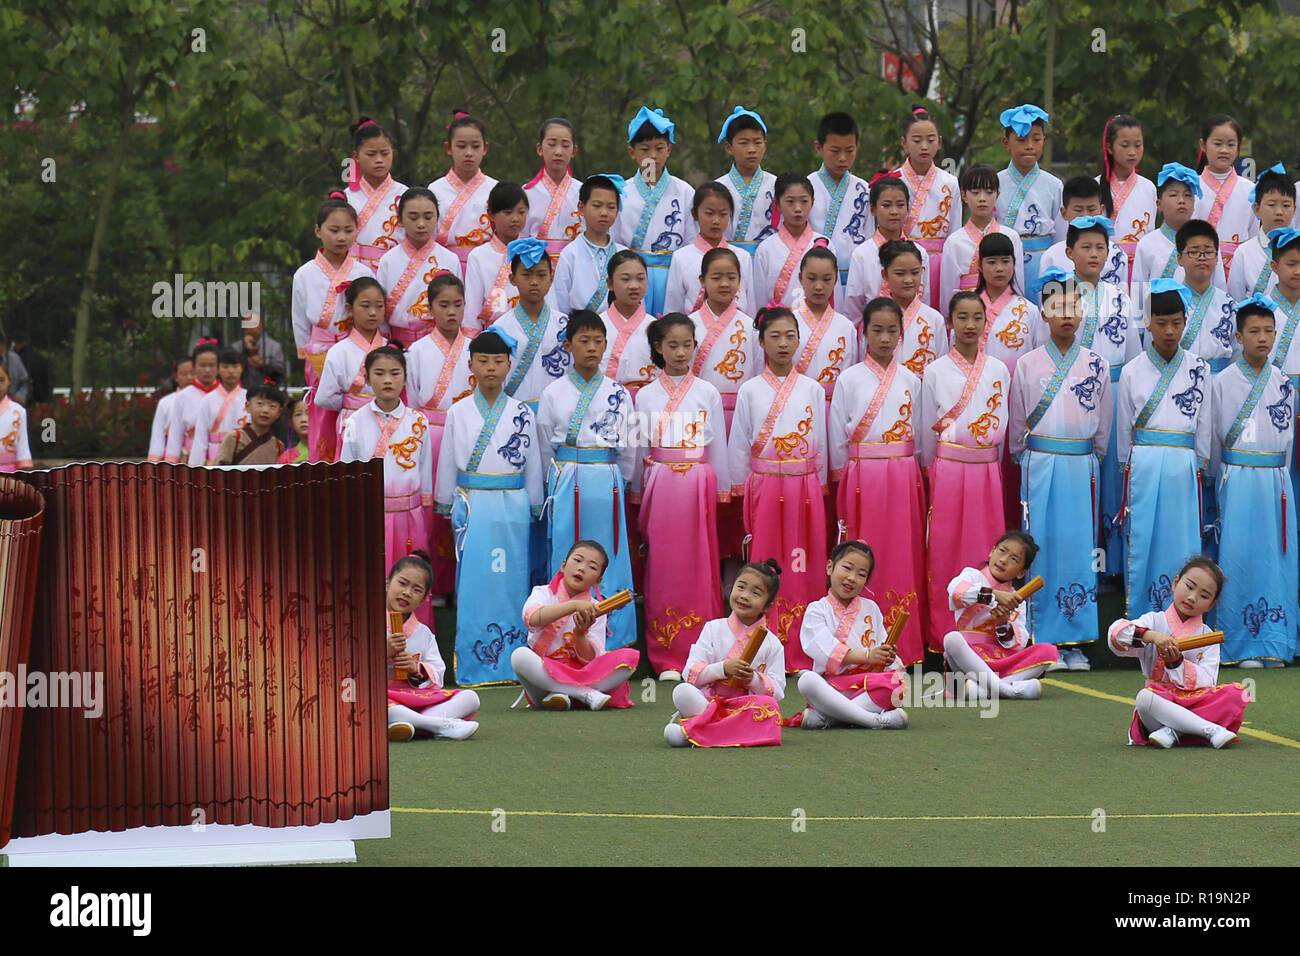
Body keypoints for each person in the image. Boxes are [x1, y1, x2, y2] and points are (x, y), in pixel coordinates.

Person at [1008, 277, 1111, 665]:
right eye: (1057, 308)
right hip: (1041, 464)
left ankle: (1076, 639)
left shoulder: (1096, 364)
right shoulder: (1027, 364)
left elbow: (1103, 425)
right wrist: (1024, 457)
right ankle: (1042, 637)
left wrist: (1092, 457)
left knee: (1080, 550)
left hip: (1080, 465)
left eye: (1073, 308)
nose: (1066, 316)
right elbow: (1018, 424)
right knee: (1042, 547)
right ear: (1045, 314)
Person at [433, 327, 545, 687]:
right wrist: (447, 500)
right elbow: (449, 458)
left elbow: (533, 462)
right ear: (471, 365)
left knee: (511, 580)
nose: (491, 368)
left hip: (512, 505)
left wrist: (534, 501)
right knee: (476, 582)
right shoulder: (459, 411)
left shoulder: (523, 412)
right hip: (474, 505)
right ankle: (475, 663)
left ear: (510, 364)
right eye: (483, 360)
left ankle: (512, 661)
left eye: (498, 361)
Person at [726, 306, 827, 670]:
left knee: (804, 560)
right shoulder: (750, 390)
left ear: (800, 340)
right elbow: (739, 443)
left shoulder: (812, 389)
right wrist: (737, 485)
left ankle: (807, 643)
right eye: (775, 336)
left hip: (804, 486)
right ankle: (761, 647)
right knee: (766, 559)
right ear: (762, 342)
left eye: (790, 336)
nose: (783, 343)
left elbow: (822, 443)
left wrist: (822, 479)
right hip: (765, 487)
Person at [632, 313, 729, 680]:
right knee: (663, 567)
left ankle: (700, 655)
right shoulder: (645, 395)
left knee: (699, 565)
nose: (681, 352)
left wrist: (720, 489)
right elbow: (639, 446)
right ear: (658, 348)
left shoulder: (707, 392)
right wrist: (639, 492)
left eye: (687, 344)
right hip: (662, 483)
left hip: (698, 483)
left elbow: (717, 443)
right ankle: (665, 656)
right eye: (672, 345)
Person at [537, 311, 637, 650]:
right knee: (568, 553)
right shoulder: (552, 392)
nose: (592, 348)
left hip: (606, 481)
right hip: (567, 480)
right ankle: (557, 639)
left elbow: (628, 448)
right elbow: (544, 445)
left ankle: (612, 639)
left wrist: (622, 483)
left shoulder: (619, 393)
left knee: (610, 552)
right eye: (584, 340)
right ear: (567, 345)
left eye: (599, 341)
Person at [832, 300, 924, 662]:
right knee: (862, 551)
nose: (885, 338)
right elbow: (839, 438)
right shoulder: (849, 378)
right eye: (877, 330)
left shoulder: (911, 379)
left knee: (903, 555)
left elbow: (919, 437)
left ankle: (906, 644)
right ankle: (858, 646)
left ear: (902, 333)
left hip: (902, 475)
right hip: (863, 478)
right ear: (864, 333)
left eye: (892, 331)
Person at [919, 291, 1011, 654]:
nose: (970, 325)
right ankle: (944, 635)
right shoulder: (936, 371)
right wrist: (934, 472)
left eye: (977, 317)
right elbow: (927, 426)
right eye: (963, 318)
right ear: (950, 323)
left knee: (987, 550)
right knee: (945, 550)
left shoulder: (999, 369)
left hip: (986, 470)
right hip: (948, 470)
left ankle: (990, 634)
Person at [1117, 280, 1212, 621]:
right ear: (1148, 324)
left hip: (1184, 466)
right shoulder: (1131, 371)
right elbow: (1124, 431)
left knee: (1183, 540)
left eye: (1176, 323)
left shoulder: (1201, 369)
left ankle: (1185, 621)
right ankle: (1143, 621)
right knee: (1144, 539)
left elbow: (1205, 423)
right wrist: (1125, 466)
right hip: (1144, 463)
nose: (1169, 331)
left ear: (1185, 322)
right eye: (1161, 323)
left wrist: (1200, 464)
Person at [1212, 296, 1297, 668]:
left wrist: (1281, 476)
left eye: (1268, 331)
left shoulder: (1282, 382)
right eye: (1254, 332)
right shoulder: (1223, 382)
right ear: (1238, 336)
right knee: (1240, 556)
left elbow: (1288, 440)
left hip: (1276, 480)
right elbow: (1215, 439)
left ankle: (1274, 643)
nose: (1262, 338)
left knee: (1276, 560)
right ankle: (1243, 643)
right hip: (1239, 477)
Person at [1107, 556, 1251, 747]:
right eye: (1189, 587)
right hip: (1156, 704)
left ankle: (1172, 731)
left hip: (1193, 703)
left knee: (1236, 694)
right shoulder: (1154, 621)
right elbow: (1116, 634)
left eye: (1204, 595)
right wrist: (1153, 637)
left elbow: (1208, 681)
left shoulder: (1208, 637)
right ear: (1175, 583)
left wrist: (1177, 664)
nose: (1192, 597)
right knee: (1144, 697)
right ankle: (1209, 730)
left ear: (1211, 605)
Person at [339, 344, 433, 601]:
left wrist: (424, 505)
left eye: (395, 373)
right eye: (379, 373)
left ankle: (415, 634)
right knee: (373, 576)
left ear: (405, 377)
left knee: (410, 576)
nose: (388, 380)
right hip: (371, 514)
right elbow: (347, 470)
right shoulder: (355, 421)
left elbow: (425, 468)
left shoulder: (418, 421)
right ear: (367, 378)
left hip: (410, 515)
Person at [663, 559, 787, 747]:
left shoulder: (773, 644)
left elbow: (777, 691)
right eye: (741, 587)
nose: (745, 596)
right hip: (707, 702)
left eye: (755, 593)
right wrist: (723, 668)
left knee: (770, 707)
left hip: (744, 706)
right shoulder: (713, 628)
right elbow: (690, 673)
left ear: (768, 606)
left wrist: (752, 679)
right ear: (732, 588)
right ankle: (721, 730)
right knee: (682, 691)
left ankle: (694, 732)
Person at [406, 271, 474, 596]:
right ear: (430, 308)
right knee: (431, 511)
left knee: (463, 508)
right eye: (443, 305)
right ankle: (430, 587)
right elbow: (412, 399)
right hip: (429, 436)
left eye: (457, 305)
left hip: (466, 434)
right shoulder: (416, 352)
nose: (451, 312)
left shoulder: (476, 349)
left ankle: (460, 584)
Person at [511, 539, 640, 710]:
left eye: (592, 567)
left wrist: (580, 634)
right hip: (544, 674)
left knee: (628, 658)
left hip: (580, 673)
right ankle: (584, 694)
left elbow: (592, 659)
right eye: (577, 560)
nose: (582, 568)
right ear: (563, 566)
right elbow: (533, 618)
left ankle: (561, 694)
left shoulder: (596, 609)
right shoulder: (543, 593)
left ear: (598, 580)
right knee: (520, 656)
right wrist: (573, 605)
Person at [291, 193, 372, 462]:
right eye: (334, 230)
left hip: (355, 347)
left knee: (356, 404)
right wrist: (306, 355)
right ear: (318, 231)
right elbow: (300, 322)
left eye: (348, 230)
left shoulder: (363, 272)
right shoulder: (304, 274)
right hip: (320, 351)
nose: (341, 237)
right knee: (324, 411)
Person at [797, 540, 910, 729]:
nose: (852, 578)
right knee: (807, 681)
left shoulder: (871, 608)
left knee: (898, 682)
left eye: (861, 574)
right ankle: (875, 720)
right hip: (831, 689)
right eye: (847, 568)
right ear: (830, 567)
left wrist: (886, 656)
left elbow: (880, 647)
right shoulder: (817, 610)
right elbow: (822, 649)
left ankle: (829, 718)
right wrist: (867, 656)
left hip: (867, 686)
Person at [942, 531, 1059, 699]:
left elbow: (1018, 644)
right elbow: (956, 591)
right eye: (1002, 551)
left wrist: (1003, 623)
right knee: (952, 639)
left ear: (1020, 573)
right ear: (992, 551)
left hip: (999, 659)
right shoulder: (971, 575)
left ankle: (983, 690)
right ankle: (1008, 690)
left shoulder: (1017, 599)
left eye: (1014, 559)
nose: (1003, 560)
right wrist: (994, 595)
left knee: (1048, 651)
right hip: (967, 657)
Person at [383, 552, 481, 741]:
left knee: (471, 698)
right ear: (387, 583)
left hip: (413, 698)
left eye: (416, 589)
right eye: (402, 583)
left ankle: (409, 724)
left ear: (424, 599)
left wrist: (416, 669)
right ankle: (438, 725)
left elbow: (438, 674)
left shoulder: (424, 634)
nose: (407, 592)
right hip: (381, 696)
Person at [613, 106, 697, 315]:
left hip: (674, 277)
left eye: (659, 148)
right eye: (645, 149)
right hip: (632, 278)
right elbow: (614, 242)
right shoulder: (622, 191)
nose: (652, 155)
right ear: (632, 152)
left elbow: (691, 243)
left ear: (669, 150)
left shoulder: (685, 191)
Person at [491, 238, 572, 412]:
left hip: (557, 414)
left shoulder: (565, 325)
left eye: (541, 275)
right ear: (512, 279)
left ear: (551, 278)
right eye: (526, 274)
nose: (534, 282)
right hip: (513, 414)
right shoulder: (501, 328)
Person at [316, 276, 392, 459]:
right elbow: (324, 397)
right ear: (349, 308)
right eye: (365, 306)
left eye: (379, 306)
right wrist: (352, 403)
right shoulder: (338, 351)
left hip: (389, 420)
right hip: (352, 422)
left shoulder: (392, 348)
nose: (373, 312)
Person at [895, 104, 961, 309]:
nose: (924, 146)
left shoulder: (950, 183)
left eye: (930, 140)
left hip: (940, 265)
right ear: (904, 143)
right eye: (916, 140)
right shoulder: (893, 181)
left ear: (939, 143)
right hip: (902, 263)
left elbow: (954, 233)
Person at [377, 187, 461, 347]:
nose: (421, 224)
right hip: (398, 345)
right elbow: (381, 310)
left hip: (439, 343)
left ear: (437, 218)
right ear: (400, 220)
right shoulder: (388, 260)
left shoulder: (450, 259)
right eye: (413, 217)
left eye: (428, 217)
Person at [465, 181, 554, 331]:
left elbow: (549, 298)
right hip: (493, 336)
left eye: (521, 212)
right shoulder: (478, 256)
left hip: (533, 330)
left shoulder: (535, 252)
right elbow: (472, 310)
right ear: (491, 214)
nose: (515, 218)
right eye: (508, 213)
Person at [938, 163, 1025, 318]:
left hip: (1005, 313)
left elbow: (1017, 284)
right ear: (964, 195)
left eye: (989, 192)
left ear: (997, 195)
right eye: (975, 192)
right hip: (966, 316)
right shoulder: (954, 242)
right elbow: (947, 293)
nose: (982, 199)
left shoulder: (1012, 237)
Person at [688, 247, 758, 433]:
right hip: (699, 411)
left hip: (740, 414)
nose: (724, 284)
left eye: (731, 277)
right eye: (716, 278)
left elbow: (758, 373)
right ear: (702, 280)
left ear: (740, 281)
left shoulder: (750, 326)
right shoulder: (689, 325)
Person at [1131, 164, 1226, 299]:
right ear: (1159, 204)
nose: (1181, 201)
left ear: (1194, 203)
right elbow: (1138, 295)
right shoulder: (1146, 244)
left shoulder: (1208, 242)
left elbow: (1220, 288)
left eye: (1188, 195)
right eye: (1174, 195)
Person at [844, 175, 930, 323]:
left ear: (908, 209)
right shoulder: (862, 254)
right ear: (872, 209)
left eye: (900, 205)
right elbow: (853, 308)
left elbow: (925, 298)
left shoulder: (920, 253)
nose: (894, 211)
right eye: (886, 205)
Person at [663, 182, 756, 316]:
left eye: (723, 214)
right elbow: (673, 309)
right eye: (709, 213)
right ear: (694, 213)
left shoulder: (743, 257)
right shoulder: (681, 257)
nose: (716, 221)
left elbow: (750, 307)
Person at [995, 103, 1061, 291]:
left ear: (1044, 141)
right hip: (1004, 263)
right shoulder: (995, 183)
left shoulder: (1054, 185)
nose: (1030, 146)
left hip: (1045, 262)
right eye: (1022, 140)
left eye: (1036, 139)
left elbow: (1062, 234)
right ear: (1006, 143)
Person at [793, 245, 859, 416]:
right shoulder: (789, 323)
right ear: (801, 278)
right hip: (796, 407)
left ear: (836, 280)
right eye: (812, 278)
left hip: (836, 410)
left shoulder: (846, 327)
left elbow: (851, 377)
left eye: (826, 279)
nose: (819, 287)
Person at [810, 112, 871, 295]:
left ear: (857, 147)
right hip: (816, 282)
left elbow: (869, 238)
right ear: (819, 147)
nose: (843, 158)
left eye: (850, 151)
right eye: (835, 151)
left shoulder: (864, 189)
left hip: (855, 281)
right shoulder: (806, 188)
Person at [428, 112, 498, 272]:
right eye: (461, 146)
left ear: (485, 148)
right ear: (448, 148)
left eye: (475, 146)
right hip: (443, 267)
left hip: (486, 268)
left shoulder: (496, 189)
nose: (468, 153)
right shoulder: (435, 190)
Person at [1193, 114, 1257, 278]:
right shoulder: (1191, 188)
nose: (1224, 150)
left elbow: (1254, 237)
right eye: (1217, 143)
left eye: (1230, 144)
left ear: (1239, 146)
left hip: (1239, 269)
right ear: (1203, 145)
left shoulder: (1251, 190)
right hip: (1199, 269)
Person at [553, 175, 626, 316]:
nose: (604, 213)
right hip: (580, 332)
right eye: (597, 206)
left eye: (611, 207)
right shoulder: (569, 254)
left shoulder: (623, 255)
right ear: (581, 207)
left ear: (617, 210)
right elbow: (559, 302)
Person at [753, 173, 829, 308]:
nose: (798, 208)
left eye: (804, 201)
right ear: (777, 204)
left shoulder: (825, 244)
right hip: (778, 325)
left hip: (817, 323)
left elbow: (835, 298)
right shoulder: (766, 249)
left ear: (812, 202)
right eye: (790, 201)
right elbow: (759, 300)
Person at [1097, 114, 1156, 279]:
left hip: (1140, 268)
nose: (1132, 152)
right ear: (1109, 148)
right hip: (1104, 268)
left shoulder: (1148, 188)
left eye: (1138, 145)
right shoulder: (1095, 187)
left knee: (1139, 304)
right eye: (1125, 145)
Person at [1039, 177, 1127, 287]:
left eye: (1091, 209)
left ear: (1101, 209)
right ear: (1064, 213)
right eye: (1078, 210)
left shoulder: (1117, 254)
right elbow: (1046, 301)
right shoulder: (1051, 256)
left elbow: (1123, 297)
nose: (1085, 216)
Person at [345, 116, 406, 271]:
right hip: (354, 272)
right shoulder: (346, 198)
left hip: (395, 270)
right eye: (371, 154)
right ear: (356, 156)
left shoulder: (405, 195)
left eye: (385, 153)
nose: (379, 160)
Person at [1226, 164, 1294, 303]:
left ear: (1294, 209)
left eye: (1286, 205)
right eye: (1272, 204)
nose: (1279, 211)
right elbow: (1235, 299)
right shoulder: (1244, 252)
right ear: (1256, 209)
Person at [1174, 220, 1236, 370]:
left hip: (1219, 383)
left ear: (1216, 258)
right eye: (1194, 252)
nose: (1202, 257)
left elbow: (1237, 352)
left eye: (1208, 252)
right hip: (1178, 379)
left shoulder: (1228, 304)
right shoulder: (1168, 300)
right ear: (1180, 258)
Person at [716, 105, 776, 256]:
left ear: (765, 145)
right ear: (729, 147)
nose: (751, 149)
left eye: (757, 142)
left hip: (769, 259)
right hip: (727, 262)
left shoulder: (777, 185)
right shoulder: (717, 188)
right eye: (743, 143)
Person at [975, 232, 1038, 374]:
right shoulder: (967, 308)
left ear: (1014, 263)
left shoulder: (1029, 310)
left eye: (1005, 261)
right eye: (992, 262)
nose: (999, 268)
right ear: (979, 266)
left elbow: (1038, 358)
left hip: (1016, 389)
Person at [883, 239, 947, 377]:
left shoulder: (935, 319)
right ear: (885, 275)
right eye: (900, 274)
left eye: (915, 272)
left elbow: (942, 369)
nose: (908, 280)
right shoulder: (875, 317)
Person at [524, 118, 582, 262]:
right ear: (539, 149)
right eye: (552, 144)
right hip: (536, 268)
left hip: (574, 266)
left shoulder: (584, 192)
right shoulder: (526, 193)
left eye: (565, 145)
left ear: (574, 151)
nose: (558, 152)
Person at [163, 342, 220, 464]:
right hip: (190, 457)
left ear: (218, 367)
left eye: (211, 365)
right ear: (194, 367)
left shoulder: (227, 395)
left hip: (222, 458)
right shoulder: (183, 397)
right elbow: (175, 434)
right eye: (202, 365)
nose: (207, 370)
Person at [188, 350, 247, 466]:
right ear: (218, 369)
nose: (231, 371)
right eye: (225, 367)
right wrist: (196, 468)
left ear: (242, 368)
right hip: (215, 457)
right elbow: (200, 438)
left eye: (235, 367)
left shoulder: (249, 398)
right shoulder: (207, 400)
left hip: (243, 454)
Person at [214, 383, 286, 465]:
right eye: (260, 404)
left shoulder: (278, 446)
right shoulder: (235, 438)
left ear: (279, 413)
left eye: (272, 406)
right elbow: (219, 470)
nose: (265, 410)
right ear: (247, 406)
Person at [147, 357, 193, 463]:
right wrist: (154, 462)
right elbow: (157, 435)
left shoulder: (206, 400)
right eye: (184, 374)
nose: (189, 377)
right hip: (172, 457)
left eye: (192, 373)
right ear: (176, 377)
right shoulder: (165, 402)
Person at [233, 313, 287, 391]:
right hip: (242, 390)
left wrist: (263, 365)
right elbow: (229, 366)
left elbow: (280, 372)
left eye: (253, 323)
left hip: (268, 391)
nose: (250, 327)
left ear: (260, 325)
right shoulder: (236, 347)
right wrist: (244, 351)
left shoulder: (274, 347)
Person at [0, 364, 32, 471]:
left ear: (9, 381)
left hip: (9, 475)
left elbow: (23, 448)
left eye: (1, 380)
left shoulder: (18, 412)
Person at [11, 331, 50, 405]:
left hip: (23, 400)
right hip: (43, 400)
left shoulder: (17, 360)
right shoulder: (40, 357)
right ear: (28, 341)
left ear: (15, 343)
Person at [277, 394, 310, 464]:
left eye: (309, 413)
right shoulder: (285, 458)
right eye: (298, 414)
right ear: (291, 423)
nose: (303, 419)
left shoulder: (329, 451)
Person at [0, 335, 29, 407]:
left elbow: (25, 382)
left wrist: (20, 396)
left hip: (13, 405)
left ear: (4, 345)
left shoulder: (14, 359)